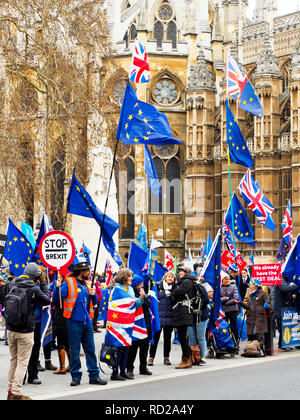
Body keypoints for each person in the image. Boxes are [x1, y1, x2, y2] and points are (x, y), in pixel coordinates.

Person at [52, 261, 107, 387]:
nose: (90, 273)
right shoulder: (69, 283)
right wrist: (57, 287)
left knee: (90, 349)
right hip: (73, 321)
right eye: (87, 270)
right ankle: (76, 376)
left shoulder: (87, 284)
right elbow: (56, 299)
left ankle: (94, 376)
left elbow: (93, 302)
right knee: (75, 350)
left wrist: (93, 296)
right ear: (81, 272)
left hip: (86, 321)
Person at [5, 262, 50, 400]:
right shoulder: (33, 288)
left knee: (13, 360)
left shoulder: (12, 284)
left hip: (11, 328)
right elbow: (46, 300)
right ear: (35, 276)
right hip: (25, 331)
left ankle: (10, 390)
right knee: (22, 362)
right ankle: (16, 393)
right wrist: (43, 284)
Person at [107, 268, 145, 381]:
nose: (132, 279)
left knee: (125, 348)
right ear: (124, 277)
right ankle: (115, 372)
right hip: (117, 323)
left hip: (127, 322)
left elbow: (134, 305)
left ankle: (123, 371)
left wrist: (141, 299)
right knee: (117, 348)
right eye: (130, 276)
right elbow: (116, 304)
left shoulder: (131, 290)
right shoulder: (117, 289)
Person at [171, 265, 197, 369]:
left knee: (182, 337)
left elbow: (177, 293)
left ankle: (186, 359)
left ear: (186, 272)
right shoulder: (188, 281)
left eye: (181, 271)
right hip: (184, 312)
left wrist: (174, 292)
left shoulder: (186, 282)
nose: (179, 273)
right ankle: (186, 358)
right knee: (182, 336)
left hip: (184, 312)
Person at [148, 271, 176, 366]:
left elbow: (176, 300)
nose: (170, 278)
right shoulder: (157, 286)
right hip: (158, 317)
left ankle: (166, 357)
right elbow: (154, 298)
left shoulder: (175, 288)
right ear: (165, 277)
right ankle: (151, 357)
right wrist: (165, 293)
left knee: (167, 339)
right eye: (168, 276)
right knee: (155, 339)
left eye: (172, 277)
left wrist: (171, 294)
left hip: (170, 317)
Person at [127, 274, 152, 377]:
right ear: (136, 284)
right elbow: (137, 306)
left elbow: (148, 305)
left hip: (145, 322)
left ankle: (143, 367)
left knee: (145, 346)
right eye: (141, 283)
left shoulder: (143, 291)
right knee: (133, 347)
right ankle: (129, 368)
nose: (142, 285)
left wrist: (146, 297)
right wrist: (143, 298)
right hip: (136, 323)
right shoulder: (131, 294)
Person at [240, 278, 271, 355]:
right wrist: (241, 303)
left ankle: (259, 349)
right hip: (251, 318)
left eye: (251, 284)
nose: (250, 286)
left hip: (259, 318)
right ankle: (250, 350)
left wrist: (267, 306)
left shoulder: (263, 294)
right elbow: (248, 306)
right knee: (251, 334)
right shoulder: (250, 294)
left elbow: (269, 305)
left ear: (256, 286)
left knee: (258, 334)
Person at [49, 272, 70, 374]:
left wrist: (57, 288)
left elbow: (56, 299)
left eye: (61, 276)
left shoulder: (65, 286)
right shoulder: (67, 284)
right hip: (63, 316)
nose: (58, 278)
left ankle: (62, 367)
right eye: (58, 276)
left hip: (61, 316)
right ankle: (69, 365)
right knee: (65, 342)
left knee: (62, 342)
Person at [187, 278, 210, 366]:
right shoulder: (184, 289)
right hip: (190, 316)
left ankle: (203, 357)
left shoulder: (200, 287)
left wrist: (198, 305)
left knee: (200, 337)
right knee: (191, 337)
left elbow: (206, 300)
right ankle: (193, 356)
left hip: (201, 316)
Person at [272, 275, 298, 351]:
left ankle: (285, 344)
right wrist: (297, 284)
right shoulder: (279, 279)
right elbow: (285, 288)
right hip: (279, 308)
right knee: (281, 328)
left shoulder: (286, 280)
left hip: (285, 308)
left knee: (285, 327)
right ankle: (281, 346)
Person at [220, 271, 240, 345]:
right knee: (224, 327)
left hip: (233, 310)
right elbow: (218, 299)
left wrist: (226, 302)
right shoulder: (219, 287)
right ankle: (225, 341)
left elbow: (236, 298)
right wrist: (226, 298)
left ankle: (236, 341)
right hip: (223, 311)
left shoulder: (233, 286)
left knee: (233, 326)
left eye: (228, 279)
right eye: (225, 279)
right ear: (222, 280)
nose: (227, 281)